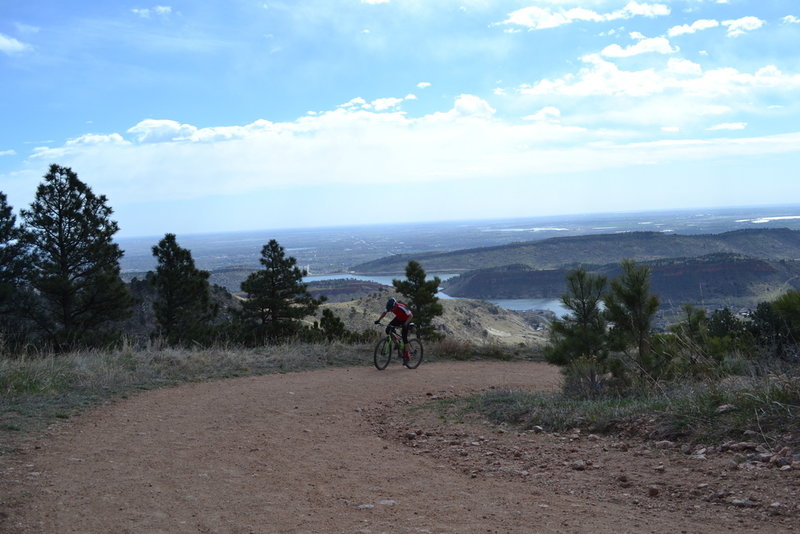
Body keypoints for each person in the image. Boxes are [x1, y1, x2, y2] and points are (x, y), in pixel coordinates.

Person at [375, 297, 414, 364]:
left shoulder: (402, 307)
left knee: (404, 337)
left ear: (395, 305)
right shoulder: (389, 307)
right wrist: (378, 320)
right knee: (388, 330)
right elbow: (384, 313)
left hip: (406, 320)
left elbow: (411, 316)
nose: (391, 310)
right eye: (390, 309)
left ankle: (407, 355)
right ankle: (397, 342)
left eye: (392, 309)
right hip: (398, 319)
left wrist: (405, 324)